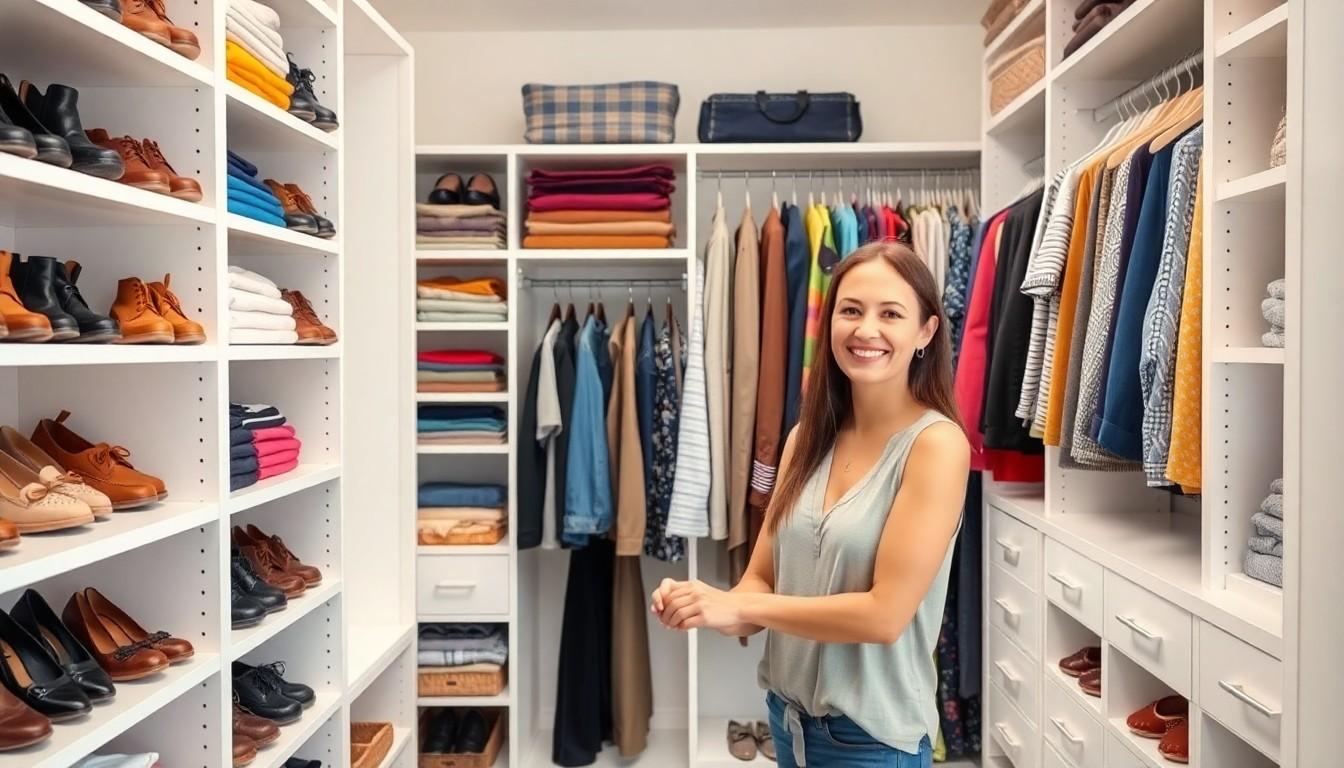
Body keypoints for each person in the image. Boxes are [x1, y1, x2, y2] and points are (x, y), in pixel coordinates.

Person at [651, 242, 970, 767]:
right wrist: (703, 604)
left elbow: (884, 616)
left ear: (926, 333)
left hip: (870, 741)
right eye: (851, 310)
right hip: (787, 719)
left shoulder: (936, 446)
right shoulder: (805, 439)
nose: (866, 329)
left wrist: (740, 605)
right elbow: (760, 583)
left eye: (890, 313)